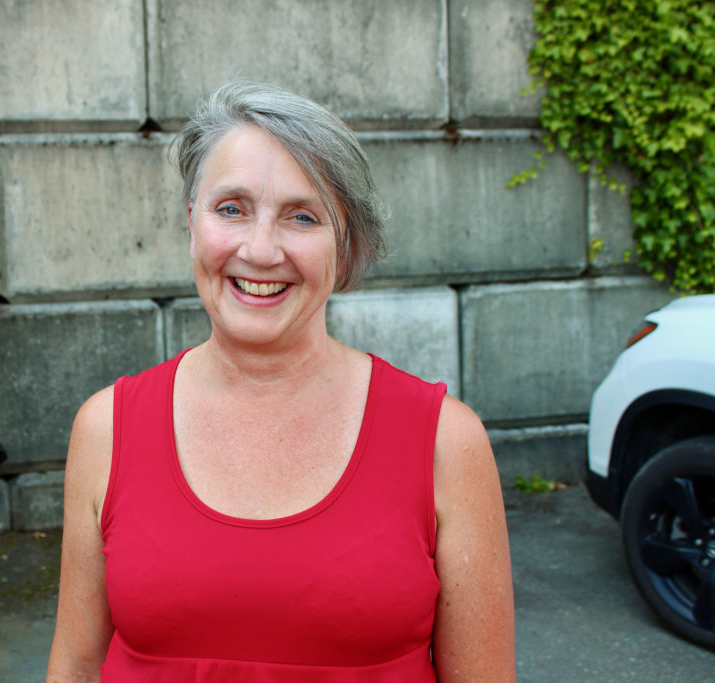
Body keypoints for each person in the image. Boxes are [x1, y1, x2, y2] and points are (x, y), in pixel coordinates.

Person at [46, 81, 515, 682]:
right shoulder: (106, 428)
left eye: (302, 216)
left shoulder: (446, 443)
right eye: (231, 208)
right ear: (192, 224)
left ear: (344, 249)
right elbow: (77, 667)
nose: (261, 249)